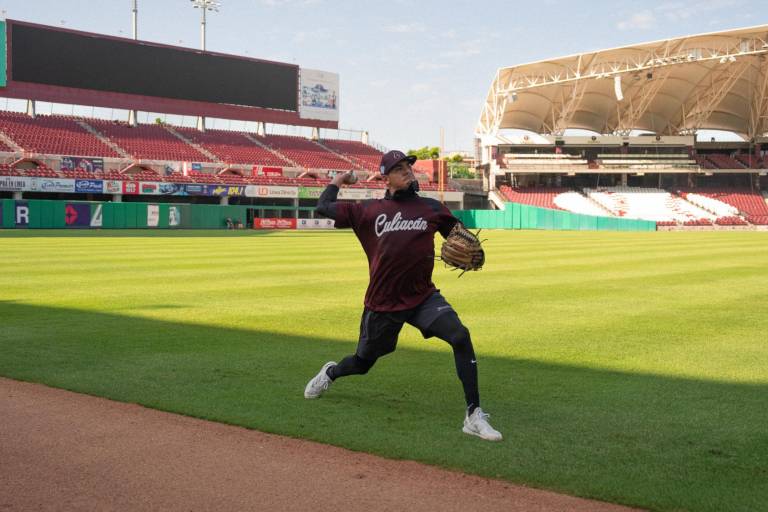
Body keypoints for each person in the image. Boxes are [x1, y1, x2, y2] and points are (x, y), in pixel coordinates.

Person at [303, 150, 502, 441]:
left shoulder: (432, 209)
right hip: (383, 303)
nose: (407, 171)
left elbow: (461, 236)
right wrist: (338, 180)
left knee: (460, 336)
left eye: (408, 165)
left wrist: (474, 253)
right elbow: (323, 207)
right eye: (398, 168)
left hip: (423, 297)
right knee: (363, 363)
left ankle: (473, 415)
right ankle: (331, 373)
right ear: (386, 177)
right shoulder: (368, 210)